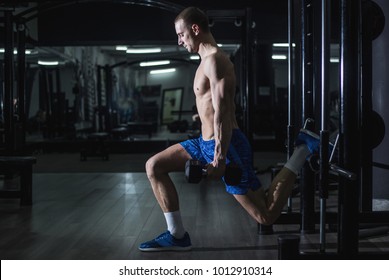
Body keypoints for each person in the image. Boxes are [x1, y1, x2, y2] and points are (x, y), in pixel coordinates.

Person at [139, 6, 322, 251]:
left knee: (265, 215)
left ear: (195, 29)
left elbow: (223, 112)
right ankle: (177, 234)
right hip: (204, 142)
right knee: (154, 166)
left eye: (181, 34)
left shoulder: (215, 60)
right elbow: (212, 107)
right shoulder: (204, 61)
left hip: (227, 145)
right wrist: (201, 116)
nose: (179, 41)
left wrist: (221, 157)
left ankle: (303, 150)